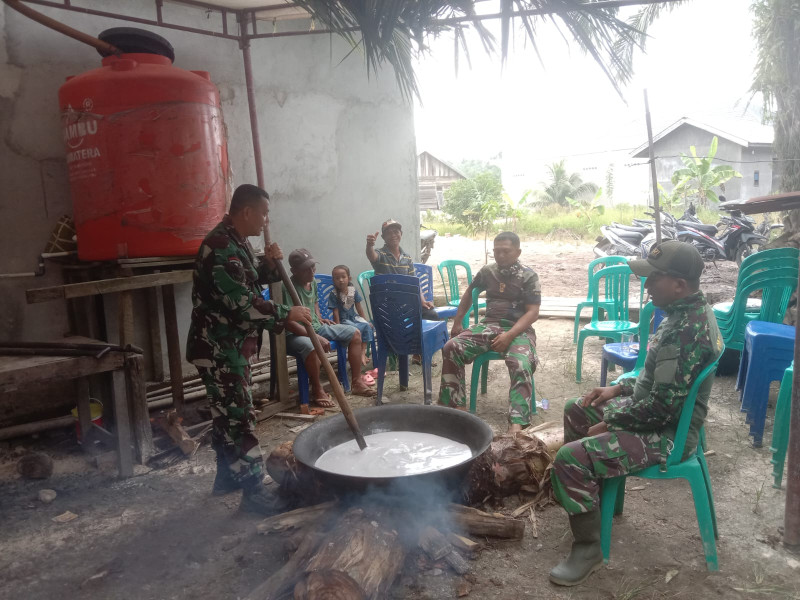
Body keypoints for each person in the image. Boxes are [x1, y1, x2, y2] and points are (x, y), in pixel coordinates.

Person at [549, 240, 723, 587]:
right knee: (576, 409)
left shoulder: (686, 331)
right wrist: (618, 389)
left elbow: (662, 408)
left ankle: (588, 548)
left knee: (570, 457)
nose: (646, 285)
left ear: (679, 284)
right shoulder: (681, 312)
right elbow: (656, 381)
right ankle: (588, 501)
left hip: (668, 435)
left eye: (653, 278)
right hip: (658, 414)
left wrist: (611, 421)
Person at [186, 184, 312, 515]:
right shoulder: (221, 246)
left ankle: (227, 478)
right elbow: (242, 304)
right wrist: (287, 313)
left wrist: (269, 267)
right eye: (264, 213)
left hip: (229, 347)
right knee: (239, 418)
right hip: (219, 349)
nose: (266, 220)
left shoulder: (236, 242)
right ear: (247, 212)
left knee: (225, 416)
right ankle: (254, 493)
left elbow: (248, 280)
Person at [438, 231, 541, 433]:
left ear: (517, 252)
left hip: (518, 329)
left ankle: (517, 424)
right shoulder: (488, 271)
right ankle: (457, 408)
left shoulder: (529, 276)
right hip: (489, 325)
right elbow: (469, 293)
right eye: (496, 251)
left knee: (519, 362)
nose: (500, 255)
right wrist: (458, 321)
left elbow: (533, 312)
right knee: (452, 347)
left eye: (506, 251)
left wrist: (509, 335)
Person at [283, 249, 377, 406]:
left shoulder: (312, 282)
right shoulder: (287, 287)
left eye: (312, 267)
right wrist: (315, 337)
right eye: (306, 269)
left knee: (355, 333)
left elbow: (314, 303)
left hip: (315, 326)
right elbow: (288, 322)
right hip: (295, 334)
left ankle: (356, 382)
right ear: (294, 271)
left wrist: (319, 317)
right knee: (311, 346)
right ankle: (317, 389)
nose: (312, 272)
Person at [365, 219, 439, 321]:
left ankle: (418, 337)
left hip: (406, 303)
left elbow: (415, 282)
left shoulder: (407, 257)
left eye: (396, 232)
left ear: (401, 234)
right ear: (383, 237)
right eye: (389, 233)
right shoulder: (381, 254)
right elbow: (372, 256)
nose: (393, 235)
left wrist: (422, 301)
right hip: (387, 304)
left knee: (431, 315)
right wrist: (369, 245)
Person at [329, 264, 376, 385]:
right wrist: (338, 327)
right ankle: (359, 353)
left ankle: (362, 352)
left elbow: (359, 308)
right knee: (355, 330)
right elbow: (336, 313)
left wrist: (364, 320)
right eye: (336, 278)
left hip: (354, 318)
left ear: (348, 278)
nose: (340, 280)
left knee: (366, 326)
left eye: (343, 277)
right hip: (345, 321)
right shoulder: (333, 294)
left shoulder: (353, 291)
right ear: (333, 280)